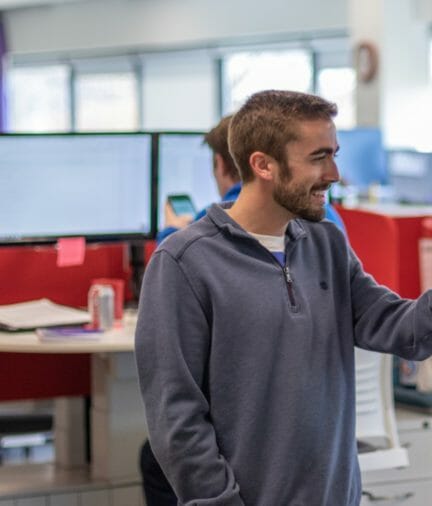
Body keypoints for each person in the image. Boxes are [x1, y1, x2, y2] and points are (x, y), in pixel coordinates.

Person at [135, 89, 432, 505]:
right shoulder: (184, 262)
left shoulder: (325, 242)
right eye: (319, 157)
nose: (335, 174)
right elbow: (178, 422)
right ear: (262, 165)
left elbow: (402, 330)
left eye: (334, 154)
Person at [141, 114, 348, 505]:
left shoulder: (205, 238)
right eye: (320, 158)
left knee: (163, 450)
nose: (331, 174)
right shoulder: (329, 223)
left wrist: (170, 231)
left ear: (223, 165)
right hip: (319, 433)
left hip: (277, 436)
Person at [155, 114, 345, 245]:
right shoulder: (322, 212)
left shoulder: (219, 220)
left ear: (220, 163)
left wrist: (170, 230)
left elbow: (178, 264)